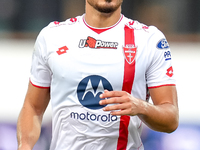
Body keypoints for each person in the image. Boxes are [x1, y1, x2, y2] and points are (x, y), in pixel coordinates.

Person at [17, 0, 179, 150]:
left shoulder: (149, 40)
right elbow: (33, 107)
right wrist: (24, 145)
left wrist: (141, 107)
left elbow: (171, 118)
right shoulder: (52, 36)